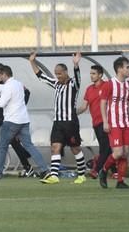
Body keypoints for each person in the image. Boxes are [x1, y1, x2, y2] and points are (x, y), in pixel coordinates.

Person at [29, 51, 86, 184]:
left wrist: (76, 64)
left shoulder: (73, 85)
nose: (57, 76)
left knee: (75, 148)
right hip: (58, 122)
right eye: (56, 74)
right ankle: (54, 175)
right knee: (55, 147)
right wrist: (32, 61)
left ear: (66, 72)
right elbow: (41, 76)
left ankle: (82, 174)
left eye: (59, 73)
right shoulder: (56, 84)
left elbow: (78, 77)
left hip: (70, 123)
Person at [0, 65, 49, 179]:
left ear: (5, 74)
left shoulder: (8, 87)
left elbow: (1, 103)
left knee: (1, 146)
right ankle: (45, 170)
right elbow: (2, 88)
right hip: (24, 120)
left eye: (1, 74)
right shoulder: (18, 84)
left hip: (11, 121)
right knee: (29, 146)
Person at [98, 56, 129, 189]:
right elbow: (103, 103)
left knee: (125, 153)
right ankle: (103, 170)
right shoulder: (110, 84)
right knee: (118, 152)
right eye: (127, 67)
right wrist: (105, 122)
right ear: (119, 69)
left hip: (125, 123)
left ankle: (120, 181)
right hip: (114, 123)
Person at [76, 64, 111, 179]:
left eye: (93, 73)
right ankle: (109, 171)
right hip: (96, 124)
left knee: (106, 148)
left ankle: (96, 170)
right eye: (90, 73)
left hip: (106, 122)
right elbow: (84, 107)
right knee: (105, 149)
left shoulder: (107, 86)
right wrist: (72, 113)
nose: (91, 76)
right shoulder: (89, 89)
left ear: (100, 75)